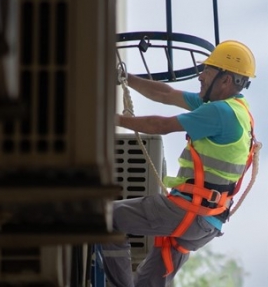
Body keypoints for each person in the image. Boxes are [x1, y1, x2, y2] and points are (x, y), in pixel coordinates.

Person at [101, 40, 257, 287]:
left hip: (188, 212)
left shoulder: (220, 113)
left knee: (107, 218)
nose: (201, 76)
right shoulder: (235, 110)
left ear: (226, 80)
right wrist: (126, 78)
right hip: (207, 221)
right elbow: (166, 94)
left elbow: (160, 126)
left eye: (207, 70)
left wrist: (110, 118)